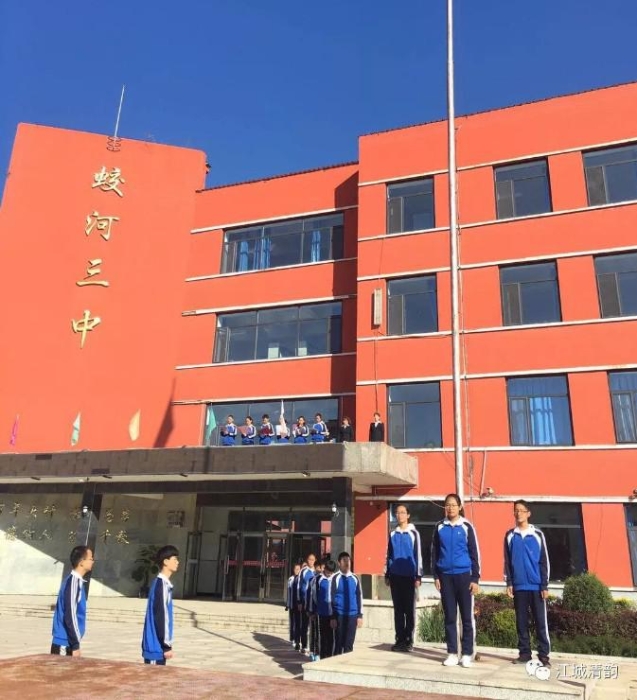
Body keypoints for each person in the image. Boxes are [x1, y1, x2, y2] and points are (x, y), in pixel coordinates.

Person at [431, 493, 481, 668]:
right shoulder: (439, 527)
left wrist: (475, 578)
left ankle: (467, 654)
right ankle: (452, 653)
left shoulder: (467, 526)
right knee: (450, 617)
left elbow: (475, 554)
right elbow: (434, 553)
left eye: (453, 505)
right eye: (447, 505)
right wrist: (436, 576)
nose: (450, 508)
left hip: (464, 576)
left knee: (466, 617)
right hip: (445, 577)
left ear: (459, 507)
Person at [504, 500, 551, 668]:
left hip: (536, 586)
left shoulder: (537, 534)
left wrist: (544, 585)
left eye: (522, 510)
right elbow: (507, 561)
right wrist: (509, 582)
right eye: (516, 510)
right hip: (519, 586)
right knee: (521, 622)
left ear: (528, 513)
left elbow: (544, 561)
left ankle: (544, 656)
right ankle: (524, 654)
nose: (519, 513)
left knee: (540, 622)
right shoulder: (510, 535)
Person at [385, 504, 423, 652]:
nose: (399, 515)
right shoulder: (392, 534)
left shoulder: (414, 533)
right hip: (395, 576)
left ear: (408, 515)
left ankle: (408, 640)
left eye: (402, 512)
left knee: (409, 610)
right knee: (398, 610)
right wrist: (387, 574)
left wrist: (418, 576)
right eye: (397, 512)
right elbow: (389, 555)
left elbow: (418, 555)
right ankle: (399, 639)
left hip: (409, 576)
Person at [51, 545, 95, 656]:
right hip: (64, 643)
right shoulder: (73, 583)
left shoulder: (76, 582)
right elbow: (70, 615)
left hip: (68, 641)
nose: (93, 561)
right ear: (81, 562)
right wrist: (75, 645)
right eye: (91, 559)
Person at [142, 545, 179, 666]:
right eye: (175, 559)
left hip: (157, 647)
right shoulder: (161, 585)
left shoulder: (164, 584)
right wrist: (166, 646)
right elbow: (161, 617)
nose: (177, 562)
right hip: (155, 647)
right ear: (166, 562)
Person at [331, 552, 363, 654]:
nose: (346, 563)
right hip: (339, 615)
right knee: (338, 644)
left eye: (348, 560)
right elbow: (331, 597)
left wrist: (360, 616)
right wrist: (333, 617)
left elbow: (359, 597)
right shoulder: (335, 578)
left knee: (349, 645)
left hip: (352, 616)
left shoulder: (355, 578)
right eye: (344, 560)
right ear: (339, 563)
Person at [314, 559, 337, 660]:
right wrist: (315, 608)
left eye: (331, 572)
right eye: (328, 571)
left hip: (333, 613)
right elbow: (314, 595)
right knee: (323, 637)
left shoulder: (335, 579)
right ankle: (323, 657)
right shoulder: (318, 579)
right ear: (325, 569)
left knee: (331, 637)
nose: (329, 574)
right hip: (322, 613)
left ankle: (330, 657)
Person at [296, 553, 317, 654]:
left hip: (314, 603)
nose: (311, 561)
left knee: (313, 626)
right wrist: (299, 601)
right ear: (307, 560)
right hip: (305, 602)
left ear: (315, 560)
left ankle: (313, 647)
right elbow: (299, 586)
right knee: (304, 625)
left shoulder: (317, 572)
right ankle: (304, 645)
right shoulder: (303, 571)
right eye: (309, 559)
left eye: (313, 559)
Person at [306, 558, 325, 661]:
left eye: (322, 568)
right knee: (315, 632)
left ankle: (318, 652)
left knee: (320, 633)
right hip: (315, 611)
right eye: (319, 567)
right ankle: (314, 652)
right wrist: (310, 610)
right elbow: (310, 596)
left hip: (324, 612)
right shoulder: (313, 580)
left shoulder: (326, 579)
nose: (320, 570)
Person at [286, 562, 302, 647]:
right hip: (292, 604)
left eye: (298, 569)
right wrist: (287, 604)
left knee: (298, 623)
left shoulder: (301, 579)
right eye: (295, 569)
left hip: (298, 605)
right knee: (292, 623)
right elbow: (288, 593)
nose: (297, 571)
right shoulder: (290, 579)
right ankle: (292, 638)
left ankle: (297, 639)